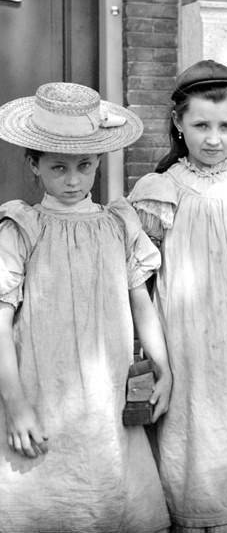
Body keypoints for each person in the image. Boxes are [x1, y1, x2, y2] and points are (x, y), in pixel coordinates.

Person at [0, 82, 171, 532]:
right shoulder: (21, 228)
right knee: (48, 497)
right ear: (34, 165)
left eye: (85, 166)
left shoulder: (118, 223)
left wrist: (163, 366)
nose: (73, 180)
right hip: (44, 385)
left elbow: (142, 303)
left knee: (108, 490)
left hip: (107, 388)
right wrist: (16, 404)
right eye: (58, 167)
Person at [129, 60, 227, 532]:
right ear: (178, 123)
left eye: (226, 126)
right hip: (189, 339)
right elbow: (146, 277)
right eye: (200, 125)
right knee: (196, 431)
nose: (214, 138)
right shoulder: (160, 191)